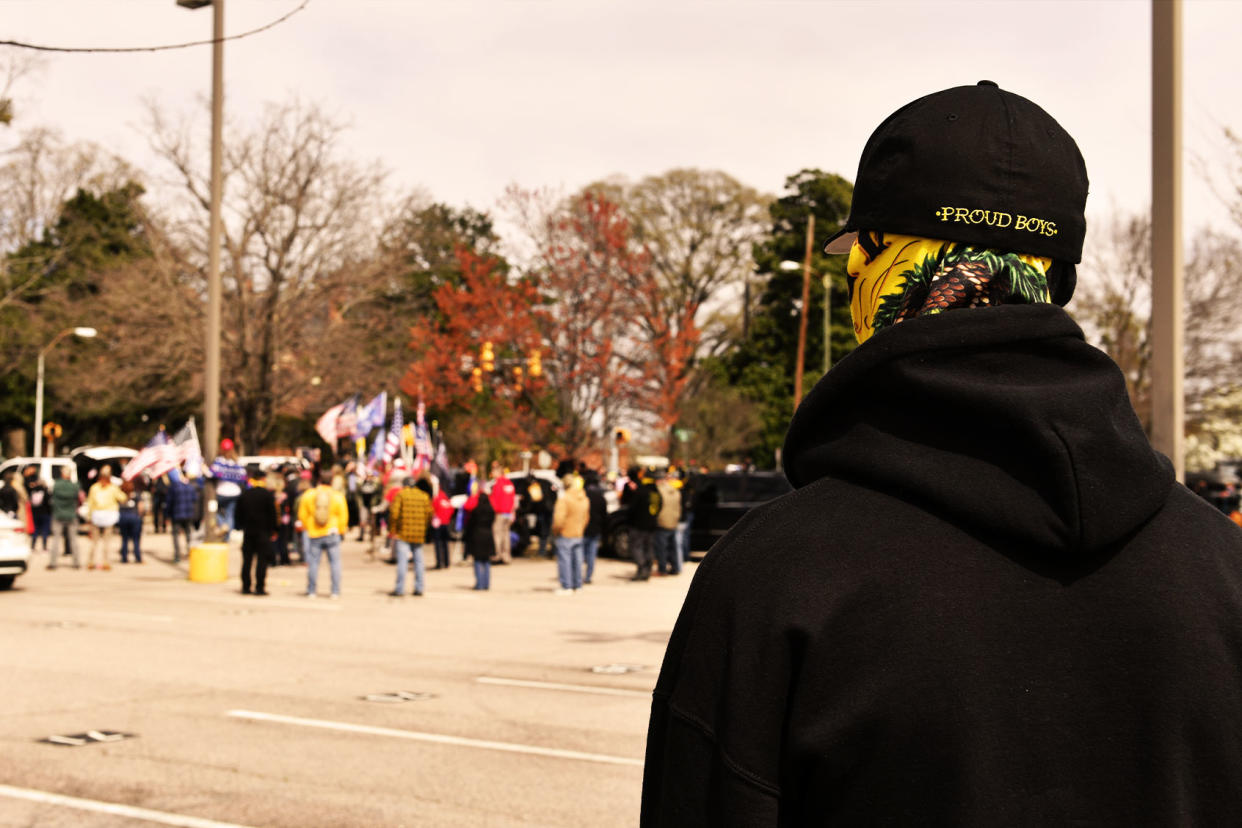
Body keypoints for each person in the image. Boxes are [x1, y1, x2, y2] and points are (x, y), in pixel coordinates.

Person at [641, 82, 1242, 825]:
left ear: (877, 261)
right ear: (1058, 279)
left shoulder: (776, 574)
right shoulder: (1222, 567)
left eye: (860, 252)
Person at [298, 470, 349, 598]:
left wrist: (308, 526)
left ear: (319, 480)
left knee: (313, 563)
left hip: (314, 533)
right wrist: (341, 530)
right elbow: (343, 516)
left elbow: (302, 515)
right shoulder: (338, 496)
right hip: (332, 532)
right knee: (335, 563)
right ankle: (335, 591)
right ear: (332, 481)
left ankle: (311, 590)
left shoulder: (309, 495)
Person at [388, 475, 432, 596]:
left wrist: (393, 530)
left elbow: (394, 514)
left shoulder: (401, 495)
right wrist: (424, 528)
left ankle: (400, 588)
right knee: (419, 561)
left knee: (403, 561)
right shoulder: (424, 496)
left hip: (403, 533)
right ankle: (419, 587)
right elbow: (429, 514)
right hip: (419, 534)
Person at [236, 472, 278, 595]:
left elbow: (238, 514)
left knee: (247, 561)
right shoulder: (267, 495)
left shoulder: (245, 495)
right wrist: (274, 530)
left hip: (248, 532)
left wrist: (241, 526)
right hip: (263, 533)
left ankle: (246, 587)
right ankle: (259, 588)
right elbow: (273, 514)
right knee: (261, 561)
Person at [551, 472, 589, 594]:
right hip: (578, 533)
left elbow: (558, 520)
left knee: (565, 560)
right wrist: (581, 528)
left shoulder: (564, 499)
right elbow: (586, 517)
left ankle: (566, 585)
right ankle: (577, 584)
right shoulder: (584, 498)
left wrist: (556, 531)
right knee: (577, 561)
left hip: (565, 533)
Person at [621, 466, 661, 581]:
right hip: (651, 525)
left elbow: (632, 508)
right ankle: (647, 570)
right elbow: (660, 506)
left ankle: (642, 568)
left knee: (636, 548)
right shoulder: (656, 493)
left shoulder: (641, 492)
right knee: (648, 548)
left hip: (638, 525)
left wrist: (629, 520)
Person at [85, 466, 126, 570]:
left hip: (108, 516)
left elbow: (122, 498)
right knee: (95, 541)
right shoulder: (95, 488)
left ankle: (105, 562)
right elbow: (90, 503)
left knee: (106, 542)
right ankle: (91, 561)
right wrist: (89, 517)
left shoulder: (112, 488)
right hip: (97, 516)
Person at [209, 438, 247, 541]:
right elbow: (243, 477)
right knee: (230, 514)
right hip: (235, 492)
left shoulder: (219, 461)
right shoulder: (237, 462)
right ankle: (227, 537)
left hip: (221, 491)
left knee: (216, 512)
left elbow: (212, 473)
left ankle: (222, 525)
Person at [48, 465, 81, 569]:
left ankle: (53, 563)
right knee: (74, 540)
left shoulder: (56, 485)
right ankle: (76, 563)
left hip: (58, 514)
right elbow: (78, 498)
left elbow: (51, 497)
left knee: (55, 540)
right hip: (71, 515)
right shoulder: (74, 486)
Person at [464, 487, 495, 590]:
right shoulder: (491, 510)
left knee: (477, 561)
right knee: (486, 561)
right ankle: (486, 584)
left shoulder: (476, 511)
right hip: (488, 536)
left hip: (477, 536)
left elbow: (470, 524)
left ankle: (479, 583)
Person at [166, 470, 200, 564]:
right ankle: (190, 553)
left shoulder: (174, 487)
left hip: (176, 514)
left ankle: (177, 556)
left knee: (176, 535)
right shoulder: (190, 486)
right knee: (188, 534)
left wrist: (167, 515)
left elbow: (169, 502)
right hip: (188, 514)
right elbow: (195, 499)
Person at [653, 469, 681, 575]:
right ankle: (675, 568)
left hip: (662, 522)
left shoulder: (658, 491)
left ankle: (662, 569)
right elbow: (678, 507)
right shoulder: (674, 490)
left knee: (662, 548)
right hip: (673, 521)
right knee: (673, 547)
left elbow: (656, 507)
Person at [582, 470, 607, 585]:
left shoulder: (583, 495)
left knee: (581, 554)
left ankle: (578, 574)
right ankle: (588, 576)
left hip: (583, 527)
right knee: (591, 554)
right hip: (595, 528)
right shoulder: (600, 497)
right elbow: (604, 514)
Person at [489, 463, 516, 563]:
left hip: (500, 513)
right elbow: (513, 499)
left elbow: (494, 500)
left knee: (497, 534)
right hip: (508, 513)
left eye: (493, 472)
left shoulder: (498, 484)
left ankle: (497, 555)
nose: (492, 474)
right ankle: (506, 556)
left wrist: (493, 511)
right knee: (506, 535)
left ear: (498, 472)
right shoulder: (509, 484)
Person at [116, 479, 144, 564]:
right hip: (134, 517)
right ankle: (138, 557)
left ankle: (124, 557)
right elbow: (141, 508)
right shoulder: (136, 494)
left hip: (123, 517)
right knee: (136, 539)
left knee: (124, 539)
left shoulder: (120, 494)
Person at [26, 468, 51, 554]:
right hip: (45, 514)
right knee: (45, 531)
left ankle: (32, 547)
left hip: (35, 513)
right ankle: (44, 548)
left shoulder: (32, 491)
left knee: (35, 531)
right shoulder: (45, 491)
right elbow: (48, 503)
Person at [430, 484, 453, 569]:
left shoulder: (436, 498)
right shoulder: (445, 497)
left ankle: (439, 563)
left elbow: (432, 509)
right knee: (445, 543)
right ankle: (447, 562)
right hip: (446, 523)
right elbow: (451, 509)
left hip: (438, 523)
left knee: (437, 543)